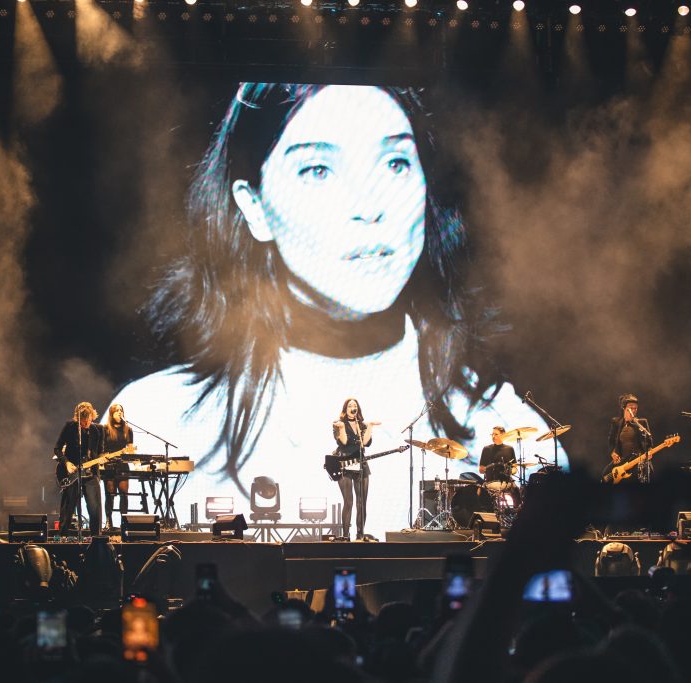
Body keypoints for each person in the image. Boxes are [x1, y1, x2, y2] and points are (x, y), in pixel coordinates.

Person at [109, 83, 568, 531]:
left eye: (395, 163)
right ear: (254, 207)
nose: (369, 207)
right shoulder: (159, 418)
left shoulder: (504, 424)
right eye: (318, 170)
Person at [53, 402, 104, 534]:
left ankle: (97, 538)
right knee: (68, 506)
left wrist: (102, 459)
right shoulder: (70, 427)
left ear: (92, 416)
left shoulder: (98, 430)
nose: (86, 423)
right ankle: (63, 535)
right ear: (78, 418)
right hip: (72, 472)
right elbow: (57, 449)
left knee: (95, 507)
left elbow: (99, 452)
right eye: (83, 420)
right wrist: (67, 463)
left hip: (90, 472)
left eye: (88, 419)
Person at [332, 398, 379, 540]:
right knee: (349, 501)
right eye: (350, 405)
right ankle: (346, 536)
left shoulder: (362, 426)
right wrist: (341, 429)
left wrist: (370, 426)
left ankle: (360, 534)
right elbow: (344, 442)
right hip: (345, 464)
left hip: (361, 464)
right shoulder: (339, 424)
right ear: (345, 409)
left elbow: (365, 443)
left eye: (355, 405)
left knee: (362, 501)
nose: (353, 407)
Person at [101, 403, 135, 529]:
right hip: (109, 465)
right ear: (111, 413)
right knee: (110, 495)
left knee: (124, 494)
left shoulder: (128, 429)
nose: (119, 412)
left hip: (123, 466)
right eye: (116, 410)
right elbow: (102, 448)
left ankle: (124, 521)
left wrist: (131, 453)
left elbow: (131, 448)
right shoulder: (105, 429)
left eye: (121, 410)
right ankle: (109, 521)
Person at [606, 394, 653, 484]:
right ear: (624, 408)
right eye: (631, 407)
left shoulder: (642, 422)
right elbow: (611, 440)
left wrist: (649, 451)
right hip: (622, 465)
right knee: (605, 476)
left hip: (638, 464)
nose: (634, 410)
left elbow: (649, 442)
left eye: (636, 408)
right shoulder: (616, 422)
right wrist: (612, 452)